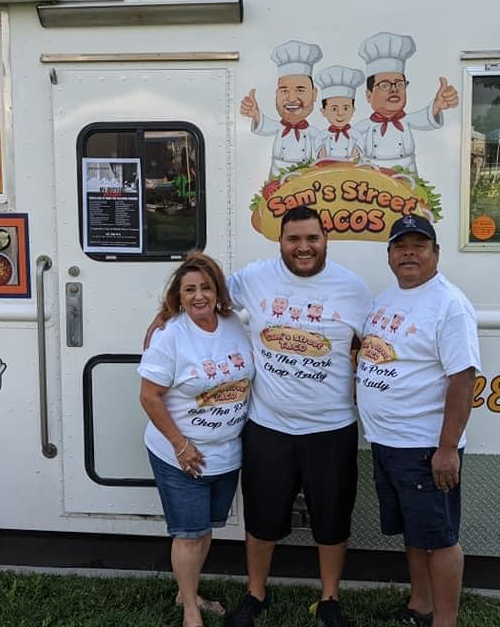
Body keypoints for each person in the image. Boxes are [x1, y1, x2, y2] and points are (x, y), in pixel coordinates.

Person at [222, 206, 372, 627]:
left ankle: (329, 600)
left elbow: (378, 346)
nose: (303, 247)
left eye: (312, 238)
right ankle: (255, 594)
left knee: (332, 517)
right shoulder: (254, 277)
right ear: (280, 243)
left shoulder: (353, 289)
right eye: (294, 240)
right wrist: (165, 317)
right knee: (262, 516)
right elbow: (204, 294)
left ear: (326, 241)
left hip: (332, 427)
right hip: (268, 425)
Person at [356, 215, 481, 627]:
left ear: (435, 253)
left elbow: (462, 379)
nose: (409, 252)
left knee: (441, 539)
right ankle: (420, 607)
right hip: (388, 442)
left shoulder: (449, 304)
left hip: (425, 446)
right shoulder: (387, 298)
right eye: (400, 245)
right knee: (415, 533)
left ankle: (444, 621)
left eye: (419, 245)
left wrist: (447, 449)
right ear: (390, 255)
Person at [139, 251, 255, 627]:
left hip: (225, 453)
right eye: (189, 289)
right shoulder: (170, 334)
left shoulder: (235, 323)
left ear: (218, 291)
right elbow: (149, 395)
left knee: (204, 530)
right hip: (181, 453)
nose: (199, 295)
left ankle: (185, 590)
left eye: (206, 287)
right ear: (179, 295)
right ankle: (191, 609)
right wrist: (181, 445)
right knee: (189, 534)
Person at [354, 32, 459, 173]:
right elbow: (350, 138)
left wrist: (437, 105)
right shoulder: (364, 126)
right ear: (369, 95)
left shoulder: (406, 120)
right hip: (374, 179)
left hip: (406, 178)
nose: (394, 90)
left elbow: (425, 117)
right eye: (385, 85)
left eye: (399, 84)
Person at [241, 40, 325, 177]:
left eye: (300, 90)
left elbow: (321, 151)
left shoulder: (314, 134)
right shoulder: (279, 128)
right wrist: (256, 114)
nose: (291, 98)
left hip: (304, 184)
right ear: (276, 95)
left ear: (314, 94)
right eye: (284, 91)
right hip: (276, 182)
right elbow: (265, 125)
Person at [313, 64, 365, 162]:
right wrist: (319, 150)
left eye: (345, 108)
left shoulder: (354, 134)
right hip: (328, 166)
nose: (340, 113)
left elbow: (360, 140)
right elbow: (318, 140)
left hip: (350, 166)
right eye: (334, 109)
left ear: (353, 110)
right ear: (323, 111)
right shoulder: (325, 134)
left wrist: (358, 149)